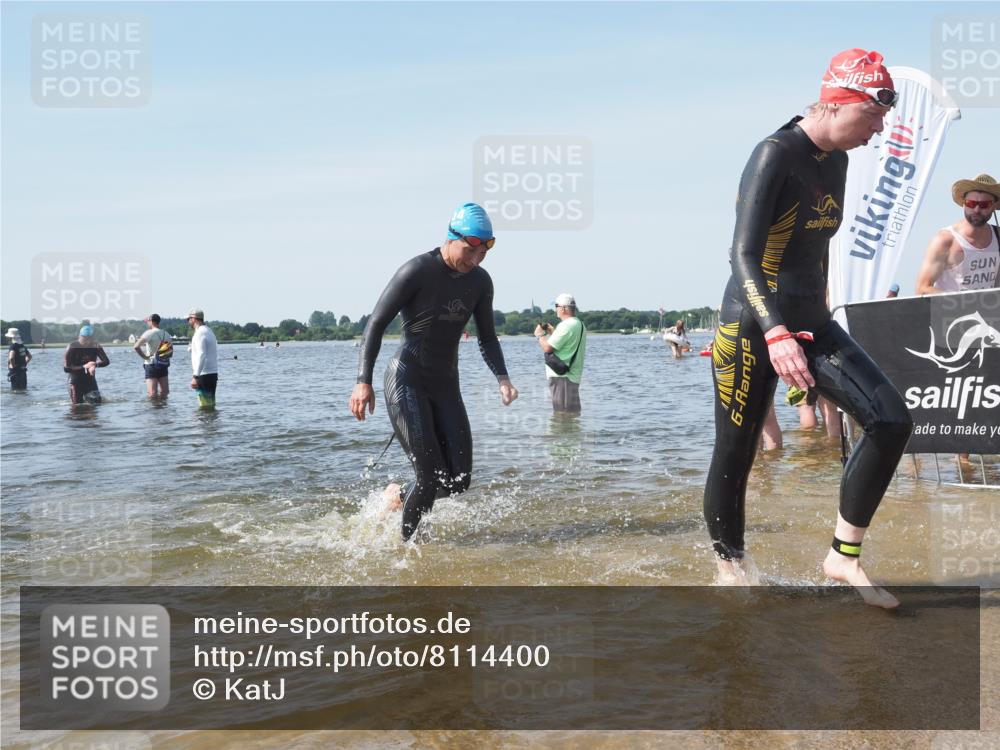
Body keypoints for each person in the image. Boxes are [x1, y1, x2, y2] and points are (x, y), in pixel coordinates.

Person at [703, 49, 912, 608]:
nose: (879, 129)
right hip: (751, 322)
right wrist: (775, 333)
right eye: (873, 116)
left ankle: (843, 559)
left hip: (811, 322)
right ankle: (730, 561)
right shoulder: (776, 153)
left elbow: (813, 251)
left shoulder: (837, 160)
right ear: (841, 101)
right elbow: (742, 255)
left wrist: (812, 322)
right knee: (738, 448)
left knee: (891, 419)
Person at [349, 202, 519, 541]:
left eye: (483, 253)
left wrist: (502, 378)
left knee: (459, 480)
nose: (475, 260)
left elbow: (487, 336)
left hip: (445, 384)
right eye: (469, 250)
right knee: (428, 478)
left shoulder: (481, 283)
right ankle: (405, 552)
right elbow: (376, 324)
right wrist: (362, 382)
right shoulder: (416, 272)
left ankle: (396, 496)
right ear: (451, 237)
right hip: (406, 378)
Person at [915, 173, 999, 294]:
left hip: (987, 311)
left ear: (994, 206)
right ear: (964, 204)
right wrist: (958, 301)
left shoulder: (998, 236)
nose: (976, 210)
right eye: (971, 203)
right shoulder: (946, 240)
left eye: (984, 205)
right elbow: (922, 289)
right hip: (951, 311)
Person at [534, 293, 587, 413]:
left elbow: (547, 348)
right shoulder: (580, 324)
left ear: (563, 308)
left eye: (556, 306)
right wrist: (553, 331)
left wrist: (540, 335)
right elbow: (566, 342)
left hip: (562, 378)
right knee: (572, 414)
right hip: (572, 377)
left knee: (561, 414)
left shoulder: (566, 325)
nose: (555, 310)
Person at [64, 325, 110, 404]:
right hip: (75, 382)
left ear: (92, 337)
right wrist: (84, 367)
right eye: (84, 338)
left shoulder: (95, 346)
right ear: (80, 336)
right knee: (77, 407)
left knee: (97, 404)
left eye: (89, 338)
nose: (86, 341)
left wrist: (94, 365)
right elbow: (66, 368)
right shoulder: (72, 347)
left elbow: (106, 361)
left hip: (90, 380)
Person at [133, 314, 172, 398]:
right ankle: (164, 409)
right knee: (165, 392)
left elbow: (136, 346)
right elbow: (170, 352)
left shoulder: (149, 333)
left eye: (147, 321)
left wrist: (145, 357)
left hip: (151, 365)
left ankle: (153, 410)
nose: (147, 323)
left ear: (151, 321)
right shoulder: (166, 334)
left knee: (152, 394)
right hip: (163, 365)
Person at [187, 308, 219, 408]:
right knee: (210, 405)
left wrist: (195, 376)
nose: (188, 321)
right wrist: (193, 348)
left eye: (188, 319)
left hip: (203, 374)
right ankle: (211, 423)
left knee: (205, 407)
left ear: (194, 319)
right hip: (212, 373)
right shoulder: (208, 330)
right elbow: (208, 350)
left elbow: (202, 355)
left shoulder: (199, 333)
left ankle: (203, 424)